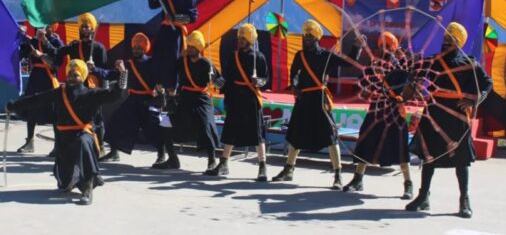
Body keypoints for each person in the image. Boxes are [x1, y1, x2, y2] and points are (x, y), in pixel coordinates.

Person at [7, 59, 128, 205]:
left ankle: (88, 186)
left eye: (75, 75)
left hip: (84, 136)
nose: (71, 77)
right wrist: (14, 106)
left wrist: (123, 74)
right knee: (65, 185)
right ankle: (85, 178)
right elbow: (37, 99)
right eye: (69, 74)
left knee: (82, 142)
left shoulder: (92, 94)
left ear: (82, 76)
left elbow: (115, 95)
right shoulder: (60, 92)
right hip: (63, 139)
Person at [406, 22, 492, 218]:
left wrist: (475, 98)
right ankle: (423, 197)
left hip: (456, 116)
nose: (446, 42)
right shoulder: (433, 61)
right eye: (445, 38)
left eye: (451, 39)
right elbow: (415, 73)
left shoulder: (469, 64)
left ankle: (464, 200)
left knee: (461, 160)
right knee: (428, 156)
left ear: (459, 42)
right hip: (433, 113)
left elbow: (487, 83)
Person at [271, 20, 362, 189]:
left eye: (310, 36)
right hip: (303, 99)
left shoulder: (326, 55)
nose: (306, 39)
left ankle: (338, 175)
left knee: (330, 136)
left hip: (319, 99)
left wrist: (357, 47)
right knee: (296, 135)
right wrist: (295, 86)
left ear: (317, 39)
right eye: (305, 35)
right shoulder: (300, 55)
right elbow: (295, 74)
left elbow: (348, 63)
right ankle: (288, 170)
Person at [342, 31, 414, 198]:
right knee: (365, 141)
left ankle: (408, 184)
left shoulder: (401, 67)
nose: (384, 49)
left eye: (388, 46)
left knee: (400, 147)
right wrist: (368, 88)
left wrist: (402, 97)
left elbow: (411, 88)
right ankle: (358, 179)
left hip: (395, 112)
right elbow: (363, 86)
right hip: (376, 109)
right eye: (381, 45)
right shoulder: (373, 66)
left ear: (394, 48)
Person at [206, 23, 269, 181]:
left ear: (250, 39)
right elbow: (227, 79)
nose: (240, 40)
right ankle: (224, 163)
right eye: (239, 37)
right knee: (230, 131)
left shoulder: (259, 57)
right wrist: (218, 82)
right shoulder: (233, 56)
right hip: (235, 98)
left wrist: (258, 81)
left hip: (251, 99)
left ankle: (262, 167)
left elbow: (266, 79)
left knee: (257, 133)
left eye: (244, 37)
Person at [155, 30, 223, 172]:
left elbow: (220, 82)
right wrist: (166, 85)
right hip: (184, 98)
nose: (189, 48)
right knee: (164, 124)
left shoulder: (206, 64)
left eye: (193, 46)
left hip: (201, 99)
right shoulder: (182, 61)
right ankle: (172, 158)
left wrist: (214, 80)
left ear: (199, 48)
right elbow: (171, 73)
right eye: (189, 45)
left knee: (205, 125)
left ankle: (212, 159)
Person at [100, 33, 165, 166]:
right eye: (134, 47)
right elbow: (110, 74)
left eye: (139, 47)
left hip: (147, 100)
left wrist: (161, 90)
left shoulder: (151, 62)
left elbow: (160, 78)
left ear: (145, 48)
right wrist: (93, 69)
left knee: (153, 129)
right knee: (115, 122)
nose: (136, 50)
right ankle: (114, 152)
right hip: (133, 99)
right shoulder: (127, 64)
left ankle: (161, 155)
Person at [54, 13, 109, 149]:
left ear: (92, 29)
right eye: (82, 26)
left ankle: (99, 146)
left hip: (92, 87)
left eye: (87, 26)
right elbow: (59, 54)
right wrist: (46, 42)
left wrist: (94, 68)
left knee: (96, 117)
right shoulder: (73, 46)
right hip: (75, 88)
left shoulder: (98, 48)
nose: (84, 29)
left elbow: (105, 71)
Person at [15, 24, 64, 153]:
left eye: (46, 26)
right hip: (35, 78)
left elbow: (57, 58)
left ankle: (58, 145)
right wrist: (20, 37)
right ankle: (29, 141)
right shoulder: (32, 42)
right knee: (31, 109)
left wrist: (44, 45)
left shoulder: (56, 41)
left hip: (49, 79)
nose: (42, 29)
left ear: (51, 28)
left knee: (54, 112)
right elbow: (19, 55)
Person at [148, 0, 198, 91]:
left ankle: (172, 90)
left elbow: (192, 17)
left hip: (177, 35)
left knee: (172, 61)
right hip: (164, 32)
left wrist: (175, 19)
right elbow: (153, 5)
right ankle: (158, 88)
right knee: (158, 58)